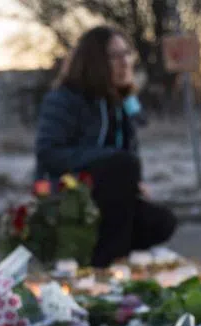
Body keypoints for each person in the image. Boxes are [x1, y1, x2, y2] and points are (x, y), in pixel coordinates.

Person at [34, 26, 176, 267]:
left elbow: (132, 148)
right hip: (71, 194)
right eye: (115, 56)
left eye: (127, 54)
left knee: (162, 222)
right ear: (94, 61)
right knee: (121, 164)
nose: (124, 62)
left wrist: (134, 181)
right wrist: (109, 161)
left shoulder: (119, 102)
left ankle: (106, 254)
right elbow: (49, 153)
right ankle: (104, 265)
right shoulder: (65, 98)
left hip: (112, 196)